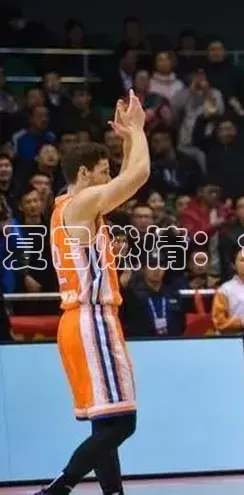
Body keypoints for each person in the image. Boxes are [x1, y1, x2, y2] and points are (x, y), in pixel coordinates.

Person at [39, 91, 150, 495]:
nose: (110, 177)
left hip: (76, 322)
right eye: (104, 171)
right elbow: (138, 176)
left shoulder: (66, 207)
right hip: (91, 320)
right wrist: (138, 129)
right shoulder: (83, 202)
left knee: (106, 421)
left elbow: (127, 174)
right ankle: (59, 488)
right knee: (123, 423)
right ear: (84, 174)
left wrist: (128, 138)